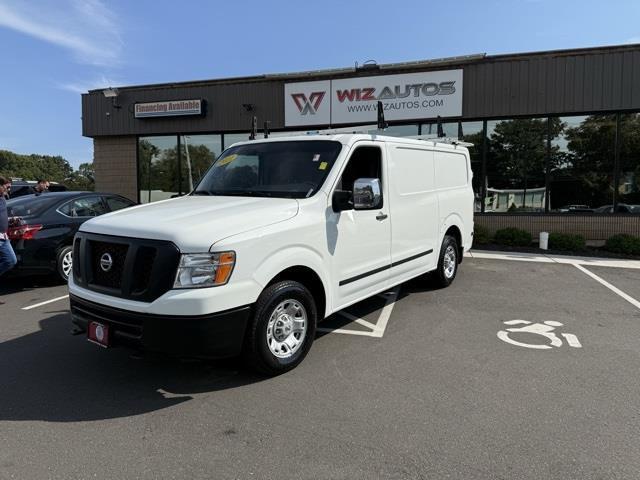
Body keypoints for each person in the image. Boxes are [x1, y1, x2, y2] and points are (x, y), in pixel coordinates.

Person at [0, 176, 17, 304]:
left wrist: (11, 220)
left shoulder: (3, 198)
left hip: (4, 238)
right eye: (7, 186)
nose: (9, 188)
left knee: (11, 260)